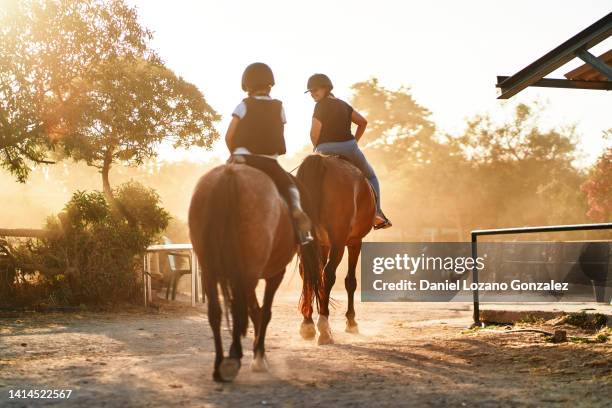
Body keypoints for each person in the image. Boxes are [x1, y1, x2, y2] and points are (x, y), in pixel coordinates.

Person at [225, 62, 313, 244]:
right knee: (290, 187)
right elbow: (277, 132)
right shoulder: (278, 107)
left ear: (247, 86)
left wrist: (233, 153)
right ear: (270, 85)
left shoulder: (243, 105)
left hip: (243, 158)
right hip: (268, 162)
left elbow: (229, 135)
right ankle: (300, 222)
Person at [306, 73, 392, 229]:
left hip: (325, 149)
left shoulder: (320, 106)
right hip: (349, 147)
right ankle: (377, 215)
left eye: (315, 90)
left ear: (326, 88)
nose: (312, 93)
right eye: (310, 91)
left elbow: (313, 133)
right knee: (371, 176)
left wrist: (317, 149)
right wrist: (354, 142)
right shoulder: (343, 104)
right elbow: (363, 122)